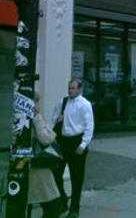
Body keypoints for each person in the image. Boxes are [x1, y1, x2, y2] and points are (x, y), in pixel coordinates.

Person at [52, 78, 94, 218]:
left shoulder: (85, 105)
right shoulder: (62, 101)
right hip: (62, 141)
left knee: (77, 177)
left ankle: (74, 209)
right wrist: (57, 119)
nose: (71, 91)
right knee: (55, 173)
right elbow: (54, 117)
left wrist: (83, 144)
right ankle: (63, 201)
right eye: (69, 88)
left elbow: (89, 126)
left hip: (77, 141)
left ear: (80, 89)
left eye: (74, 88)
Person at [28, 92, 63, 218]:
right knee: (54, 205)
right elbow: (46, 139)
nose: (39, 105)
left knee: (29, 205)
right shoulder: (35, 117)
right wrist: (39, 118)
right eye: (37, 102)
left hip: (31, 165)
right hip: (37, 167)